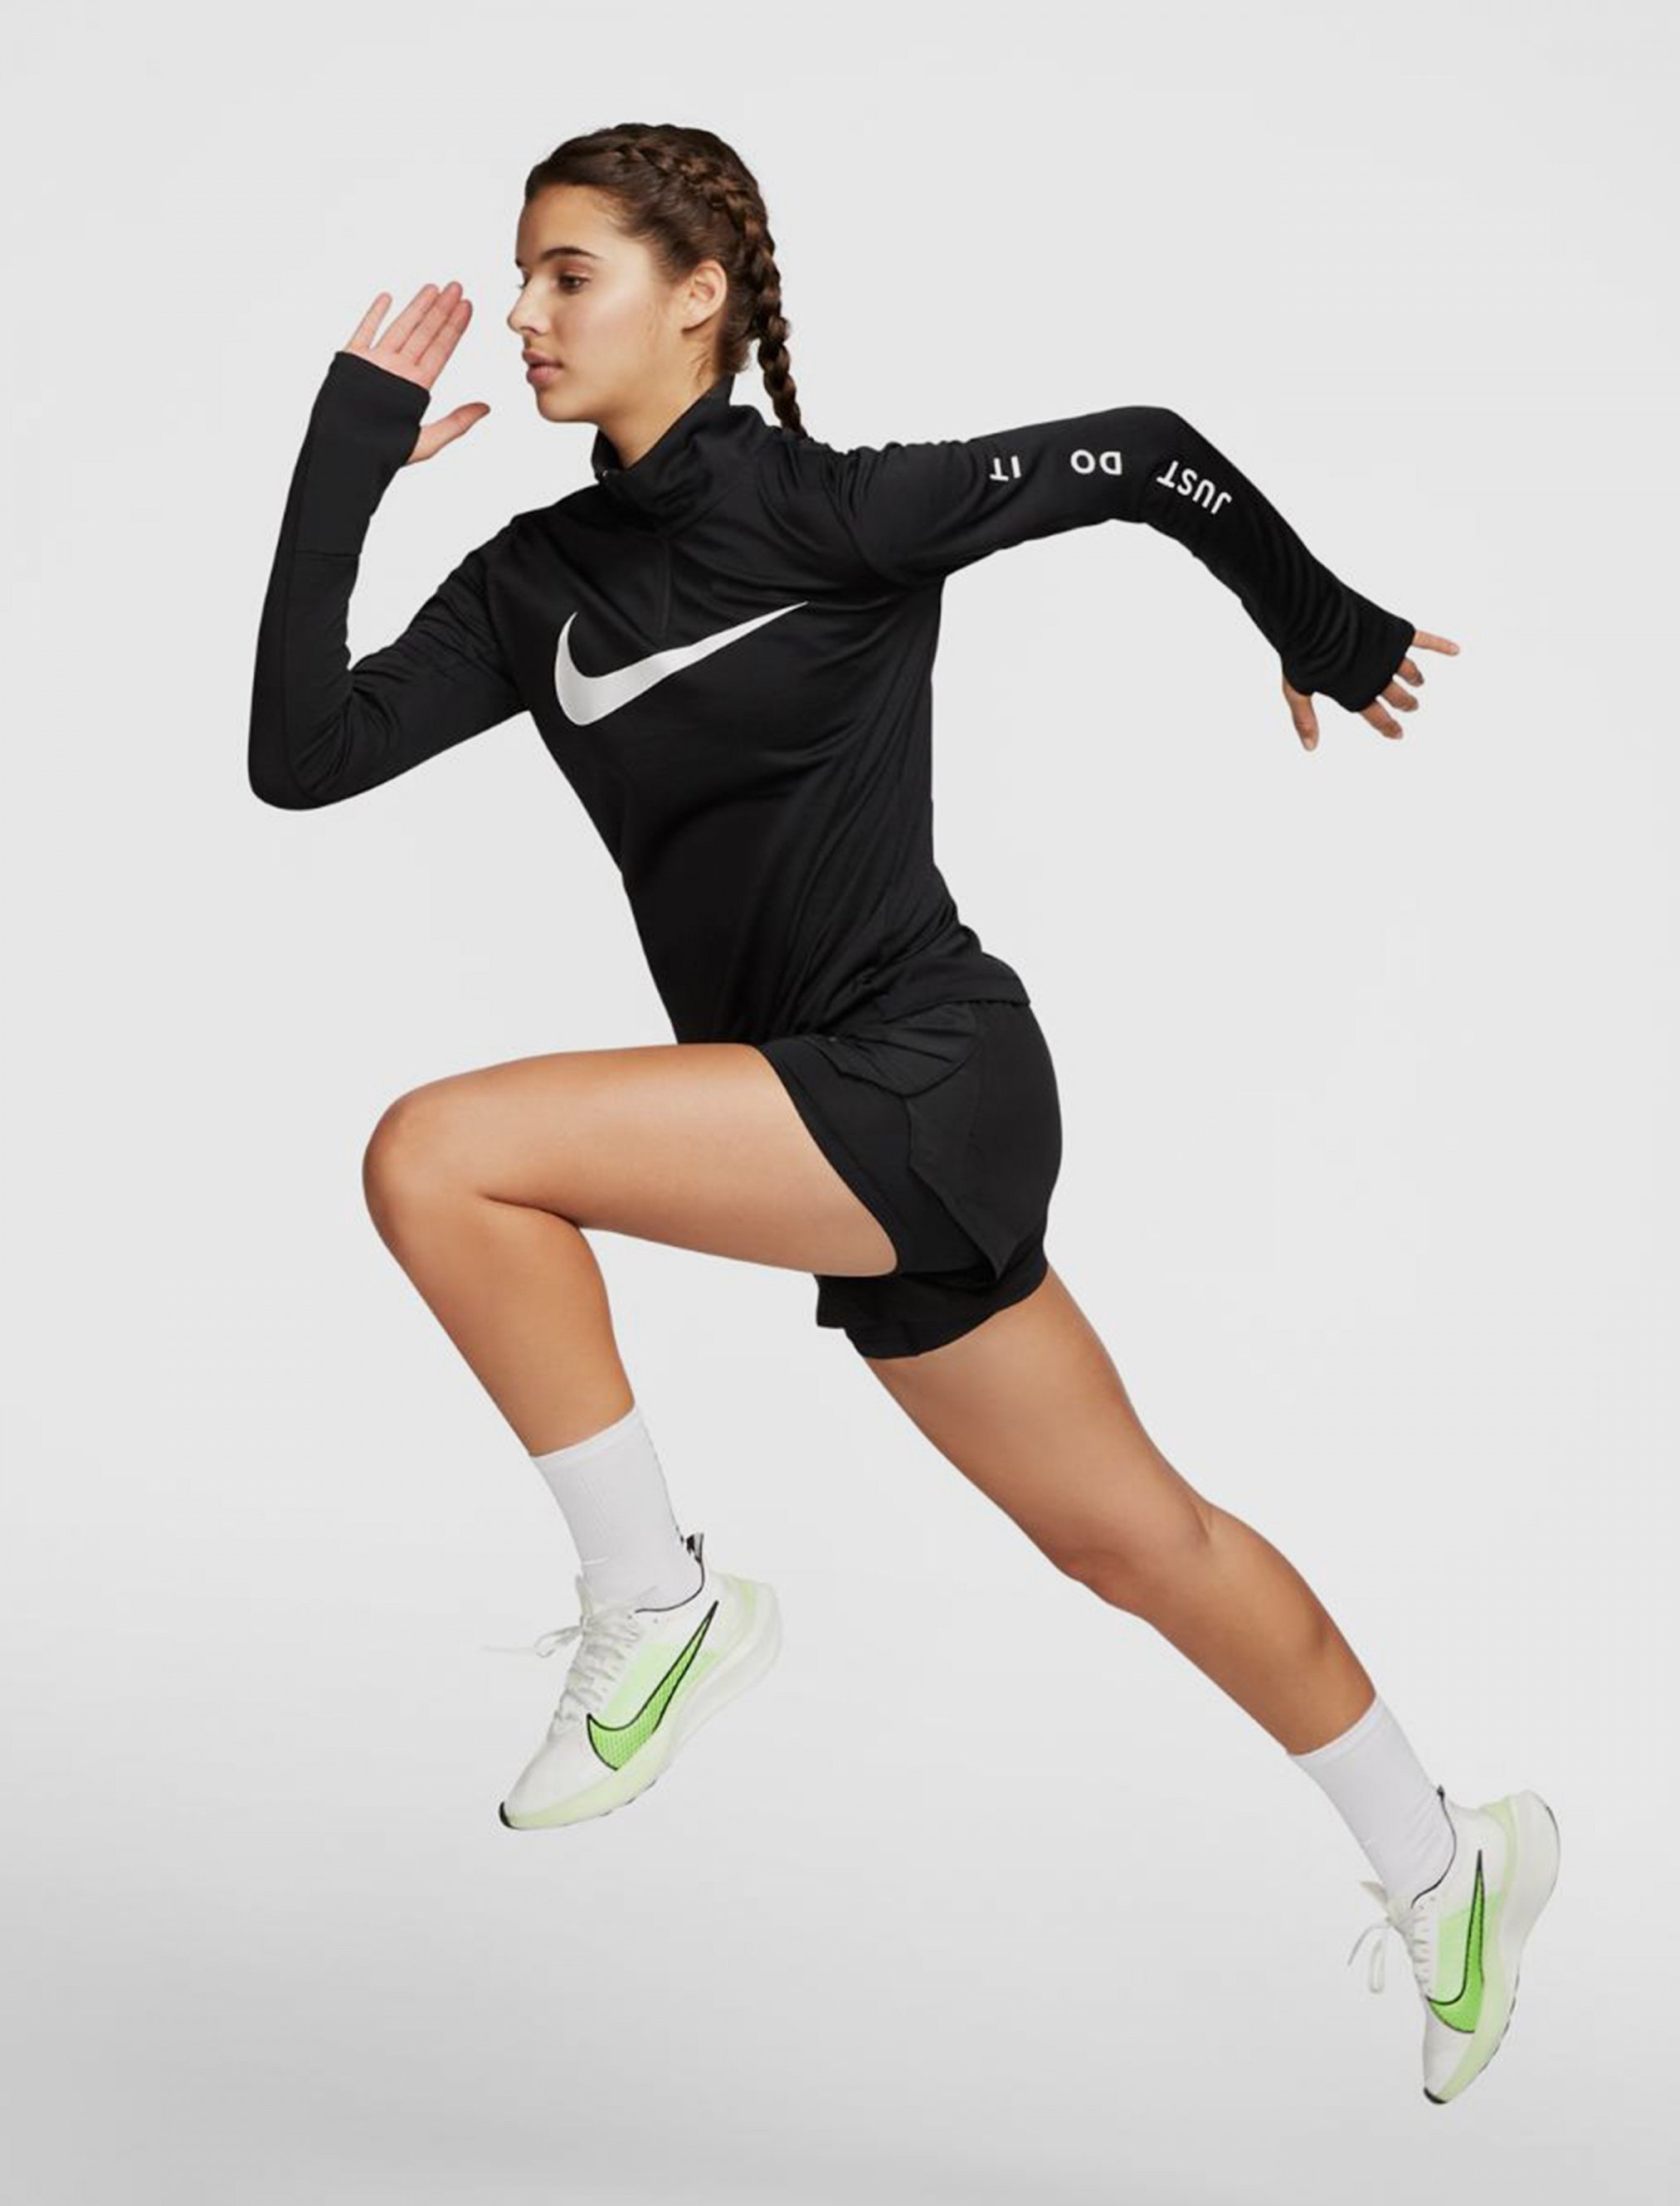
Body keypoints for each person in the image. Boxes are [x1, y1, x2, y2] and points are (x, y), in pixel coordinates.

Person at [247, 120, 1558, 2103]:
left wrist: (1310, 616)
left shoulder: (837, 510)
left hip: (919, 1077)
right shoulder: (534, 586)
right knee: (1137, 1541)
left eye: (566, 273)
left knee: (439, 1153)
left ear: (698, 294)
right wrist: (346, 455)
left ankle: (656, 1607)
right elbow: (304, 752)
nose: (520, 314)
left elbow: (1141, 453)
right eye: (517, 276)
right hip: (826, 1123)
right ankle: (1450, 1869)